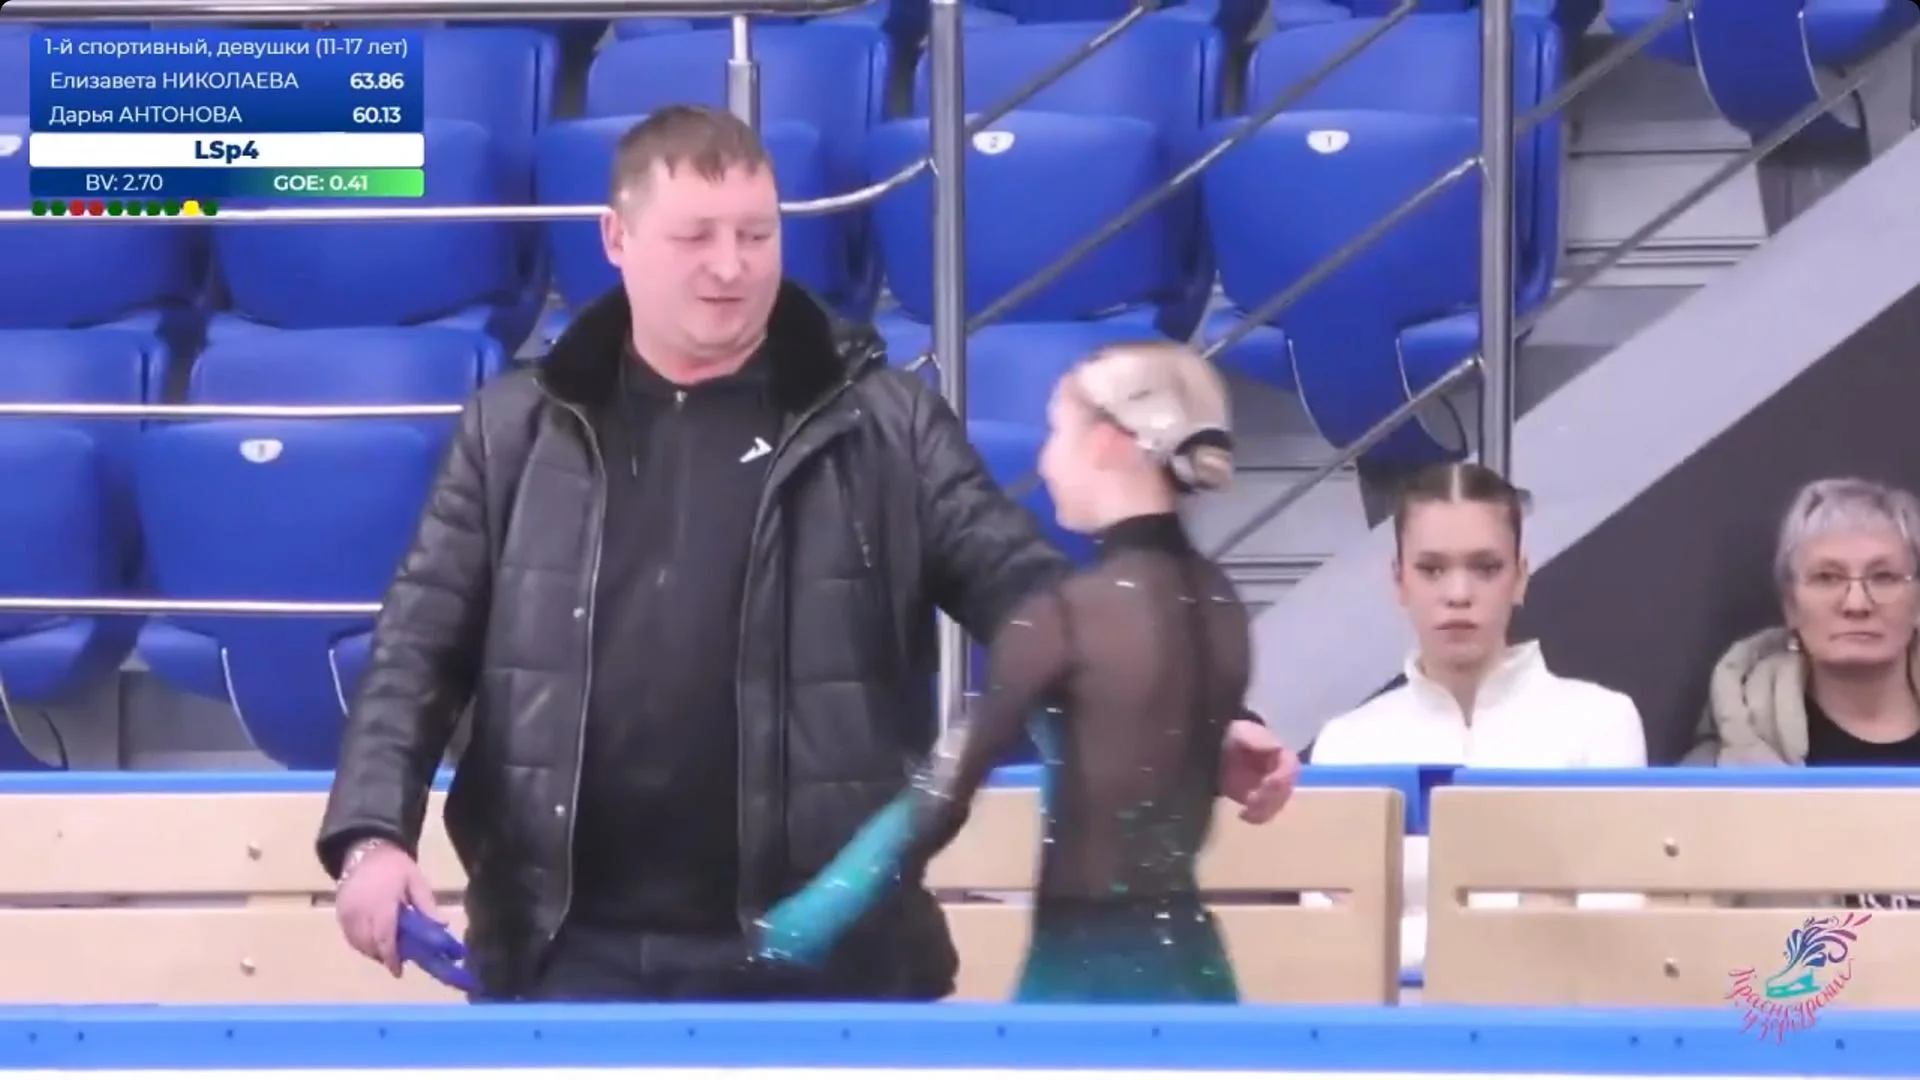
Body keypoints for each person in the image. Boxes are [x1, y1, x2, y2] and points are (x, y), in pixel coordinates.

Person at [316, 105, 1298, 1002]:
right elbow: (417, 649)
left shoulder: (886, 419)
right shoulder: (511, 431)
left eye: (757, 234)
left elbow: (1028, 588)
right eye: (696, 237)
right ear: (616, 239)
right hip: (563, 955)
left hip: (831, 970)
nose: (731, 266)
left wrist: (1192, 719)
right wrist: (371, 837)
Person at [755, 341, 1256, 1003]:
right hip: (1198, 972)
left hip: (1083, 977)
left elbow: (936, 800)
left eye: (1056, 432)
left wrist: (794, 929)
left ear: (1107, 443)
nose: (1044, 460)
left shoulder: (1068, 618)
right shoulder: (1221, 602)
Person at [1307, 462, 1646, 972]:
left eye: (1485, 568)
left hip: (1553, 1016)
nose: (1459, 594)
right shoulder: (1346, 744)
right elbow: (1331, 939)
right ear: (1399, 580)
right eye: (1432, 569)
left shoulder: (1601, 722)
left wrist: (1402, 927)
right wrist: (1531, 914)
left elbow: (1613, 921)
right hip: (1390, 1022)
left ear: (1520, 577)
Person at [1688, 477, 1920, 768]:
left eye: (1883, 577)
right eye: (1827, 577)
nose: (1856, 604)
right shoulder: (1713, 771)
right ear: (1790, 603)